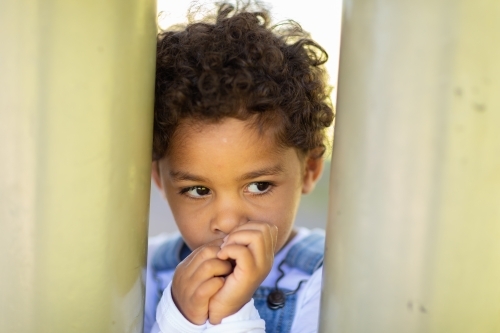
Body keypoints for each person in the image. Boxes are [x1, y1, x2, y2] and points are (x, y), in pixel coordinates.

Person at [144, 1, 334, 332]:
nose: (229, 221)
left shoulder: (328, 283)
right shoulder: (142, 273)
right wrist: (179, 316)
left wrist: (228, 315)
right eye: (198, 190)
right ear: (159, 179)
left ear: (309, 170)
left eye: (259, 185)